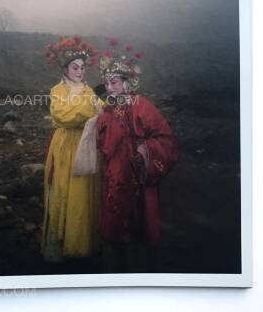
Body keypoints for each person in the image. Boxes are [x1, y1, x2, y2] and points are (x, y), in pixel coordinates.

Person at [96, 40, 178, 272]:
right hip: (115, 169)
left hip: (136, 167)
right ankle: (117, 262)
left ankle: (141, 268)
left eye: (114, 82)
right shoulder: (107, 109)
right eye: (106, 83)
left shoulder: (142, 105)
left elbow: (165, 138)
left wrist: (145, 152)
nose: (109, 87)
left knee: (139, 217)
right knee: (115, 214)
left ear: (126, 82)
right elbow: (103, 142)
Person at [41, 36, 102, 263]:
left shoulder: (89, 91)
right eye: (75, 67)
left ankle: (81, 243)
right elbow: (62, 116)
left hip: (86, 144)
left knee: (82, 192)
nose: (79, 71)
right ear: (65, 69)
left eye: (82, 67)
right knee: (63, 189)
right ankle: (60, 244)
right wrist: (91, 109)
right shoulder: (57, 90)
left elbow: (102, 113)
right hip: (65, 145)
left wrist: (98, 108)